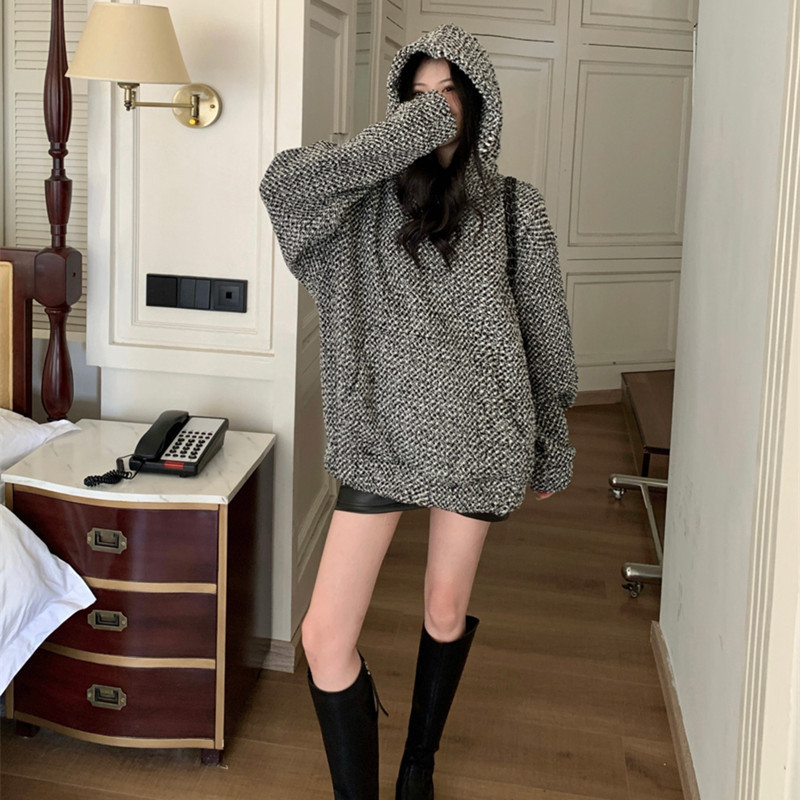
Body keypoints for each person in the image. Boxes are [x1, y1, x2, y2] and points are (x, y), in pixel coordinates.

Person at [260, 23, 577, 800]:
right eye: (419, 96)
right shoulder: (361, 206)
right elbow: (282, 187)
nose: (435, 110)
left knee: (444, 607)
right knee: (324, 636)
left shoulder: (514, 208)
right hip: (381, 434)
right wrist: (406, 134)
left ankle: (419, 762)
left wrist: (554, 437)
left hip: (480, 436)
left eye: (450, 96)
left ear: (480, 106)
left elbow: (544, 331)